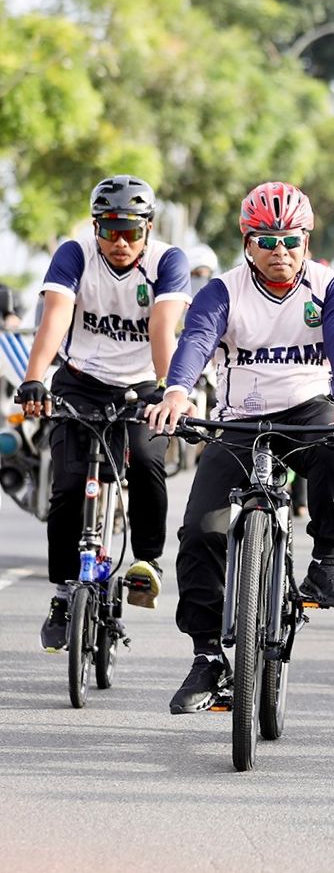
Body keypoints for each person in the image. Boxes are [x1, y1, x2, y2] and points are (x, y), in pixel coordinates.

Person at [147, 181, 334, 714]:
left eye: (291, 241)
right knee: (200, 531)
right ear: (247, 242)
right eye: (267, 241)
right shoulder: (222, 291)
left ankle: (327, 561)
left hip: (309, 411)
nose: (280, 252)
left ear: (308, 241)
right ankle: (207, 657)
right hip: (240, 422)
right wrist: (176, 392)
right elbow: (196, 340)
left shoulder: (333, 287)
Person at [19, 175, 190, 651]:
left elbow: (162, 326)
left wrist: (166, 387)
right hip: (80, 381)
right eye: (110, 229)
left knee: (148, 458)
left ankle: (148, 562)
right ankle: (62, 592)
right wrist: (35, 376)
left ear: (149, 228)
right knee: (68, 488)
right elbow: (56, 314)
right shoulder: (74, 254)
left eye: (131, 231)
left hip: (140, 386)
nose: (120, 241)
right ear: (95, 226)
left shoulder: (168, 261)